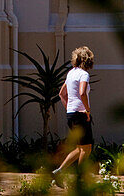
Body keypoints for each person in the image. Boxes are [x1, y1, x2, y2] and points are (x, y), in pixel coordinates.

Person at [52, 45, 95, 187]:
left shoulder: (71, 73)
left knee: (80, 148)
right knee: (86, 148)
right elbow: (82, 93)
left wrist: (69, 108)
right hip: (81, 114)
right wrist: (87, 111)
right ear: (88, 60)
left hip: (71, 114)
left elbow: (61, 94)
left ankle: (59, 171)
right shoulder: (84, 74)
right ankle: (80, 179)